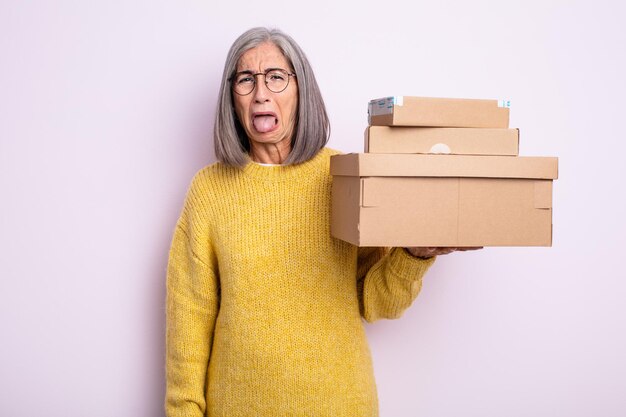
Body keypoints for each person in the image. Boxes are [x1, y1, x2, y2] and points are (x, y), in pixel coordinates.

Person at [165, 27, 476, 417]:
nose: (261, 92)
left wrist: (413, 255)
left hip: (340, 404)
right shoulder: (209, 191)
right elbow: (188, 322)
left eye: (276, 77)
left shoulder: (342, 177)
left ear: (301, 90)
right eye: (246, 80)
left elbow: (375, 303)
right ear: (232, 97)